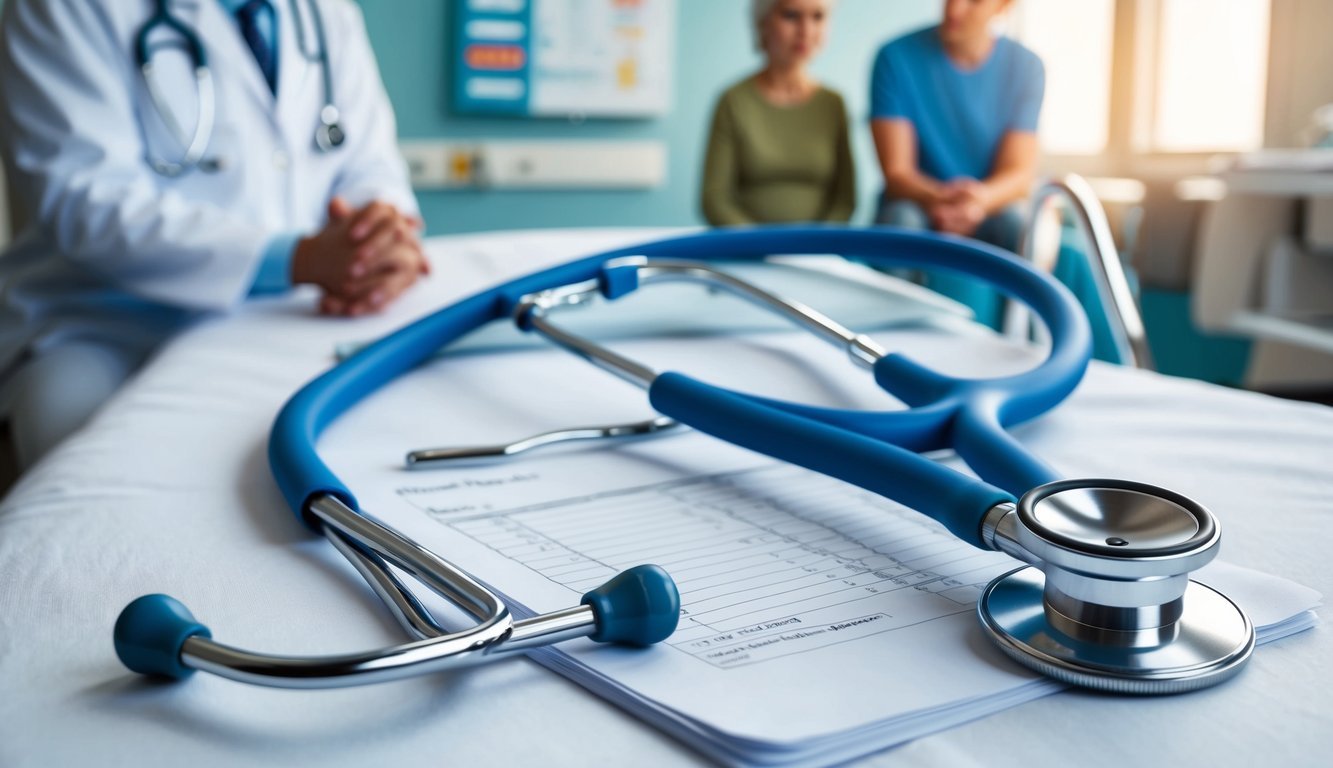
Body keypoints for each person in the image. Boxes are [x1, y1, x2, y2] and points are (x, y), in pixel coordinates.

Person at [0, 0, 426, 469]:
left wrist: (382, 241)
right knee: (84, 467)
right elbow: (85, 201)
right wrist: (298, 259)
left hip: (289, 313)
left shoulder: (325, 11)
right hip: (106, 327)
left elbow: (368, 164)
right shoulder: (65, 8)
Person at [869, 0, 1044, 253]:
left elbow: (1019, 173)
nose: (954, 10)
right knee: (900, 222)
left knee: (1019, 225)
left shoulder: (1027, 67)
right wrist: (940, 197)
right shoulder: (894, 58)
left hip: (988, 207)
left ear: (1003, 5)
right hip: (917, 204)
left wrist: (979, 201)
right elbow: (897, 172)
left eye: (974, 1)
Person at [700, 0, 855, 226]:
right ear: (763, 22)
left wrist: (816, 245)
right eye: (791, 16)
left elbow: (845, 200)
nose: (806, 30)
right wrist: (757, 244)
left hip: (819, 252)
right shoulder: (733, 102)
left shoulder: (834, 104)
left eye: (818, 17)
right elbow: (715, 199)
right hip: (747, 252)